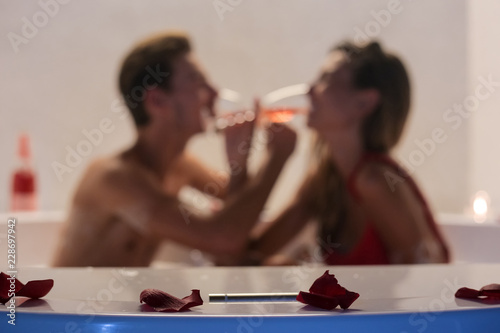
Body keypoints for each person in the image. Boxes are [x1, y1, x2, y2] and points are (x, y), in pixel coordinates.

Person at [52, 31, 296, 267]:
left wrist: (237, 166)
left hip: (117, 307)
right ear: (157, 101)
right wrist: (278, 157)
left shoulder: (181, 166)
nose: (215, 94)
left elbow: (238, 233)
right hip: (72, 308)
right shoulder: (113, 177)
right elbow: (223, 239)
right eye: (198, 83)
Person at [246, 41, 449, 265]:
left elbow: (426, 270)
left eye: (326, 79)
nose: (310, 90)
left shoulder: (375, 181)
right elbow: (251, 255)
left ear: (363, 102)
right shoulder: (324, 180)